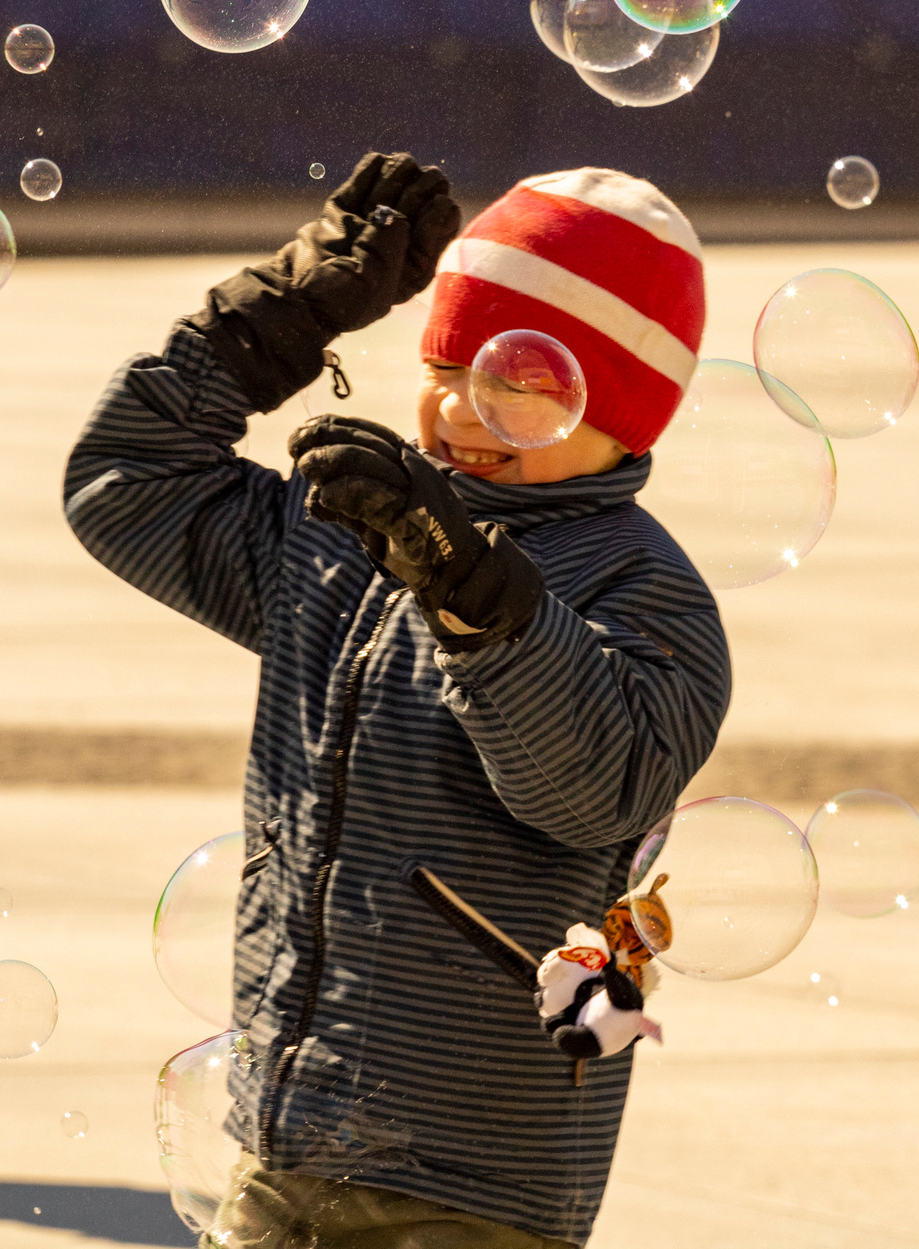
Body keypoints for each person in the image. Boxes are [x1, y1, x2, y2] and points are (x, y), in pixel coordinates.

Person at [66, 154, 730, 1249]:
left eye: (522, 380)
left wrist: (478, 597)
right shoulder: (346, 536)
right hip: (287, 1148)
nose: (467, 407)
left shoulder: (645, 593)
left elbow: (590, 785)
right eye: (445, 363)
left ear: (623, 412)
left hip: (470, 1186)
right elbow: (123, 486)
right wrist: (285, 312)